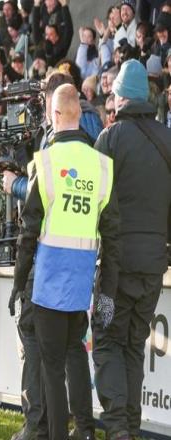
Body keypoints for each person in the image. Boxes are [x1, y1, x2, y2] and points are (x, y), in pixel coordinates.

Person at [12, 84, 119, 440]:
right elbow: (112, 238)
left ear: (55, 115)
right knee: (76, 355)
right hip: (80, 285)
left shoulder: (46, 162)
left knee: (53, 369)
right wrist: (106, 293)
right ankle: (85, 431)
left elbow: (28, 232)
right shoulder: (102, 166)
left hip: (47, 285)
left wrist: (18, 283)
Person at [92, 59, 171, 440]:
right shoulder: (168, 139)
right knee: (134, 345)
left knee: (108, 339)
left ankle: (119, 427)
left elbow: (93, 202)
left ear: (121, 97)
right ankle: (130, 426)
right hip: (154, 264)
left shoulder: (110, 138)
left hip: (116, 266)